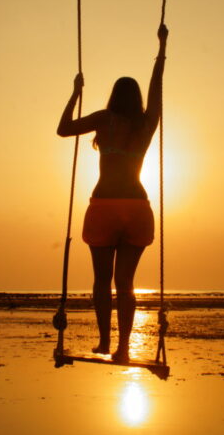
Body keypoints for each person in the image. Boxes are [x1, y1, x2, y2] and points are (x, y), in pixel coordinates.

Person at [57, 24, 168, 363]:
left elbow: (63, 129)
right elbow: (157, 87)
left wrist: (75, 92)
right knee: (126, 283)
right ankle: (123, 348)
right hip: (136, 206)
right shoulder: (146, 123)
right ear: (136, 100)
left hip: (104, 205)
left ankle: (106, 342)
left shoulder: (104, 119)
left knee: (102, 281)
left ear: (113, 97)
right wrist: (161, 48)